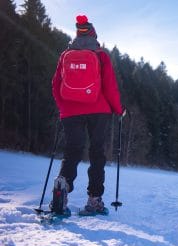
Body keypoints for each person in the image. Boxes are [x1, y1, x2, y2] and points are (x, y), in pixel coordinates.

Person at [51, 14, 124, 215]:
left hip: (70, 111)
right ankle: (94, 200)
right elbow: (110, 87)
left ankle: (62, 188)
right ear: (94, 35)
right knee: (97, 153)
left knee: (72, 151)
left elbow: (56, 85)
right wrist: (119, 109)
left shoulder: (65, 55)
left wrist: (63, 107)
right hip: (99, 110)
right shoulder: (101, 55)